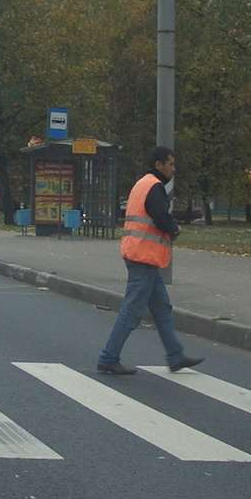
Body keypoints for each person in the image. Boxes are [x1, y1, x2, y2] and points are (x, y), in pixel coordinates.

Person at [97, 146, 204, 375]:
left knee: (162, 308)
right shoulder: (154, 187)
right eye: (170, 164)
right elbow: (160, 216)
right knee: (131, 310)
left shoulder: (142, 183)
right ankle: (108, 358)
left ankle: (175, 355)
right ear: (159, 164)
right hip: (143, 256)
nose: (173, 169)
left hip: (141, 255)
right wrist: (174, 228)